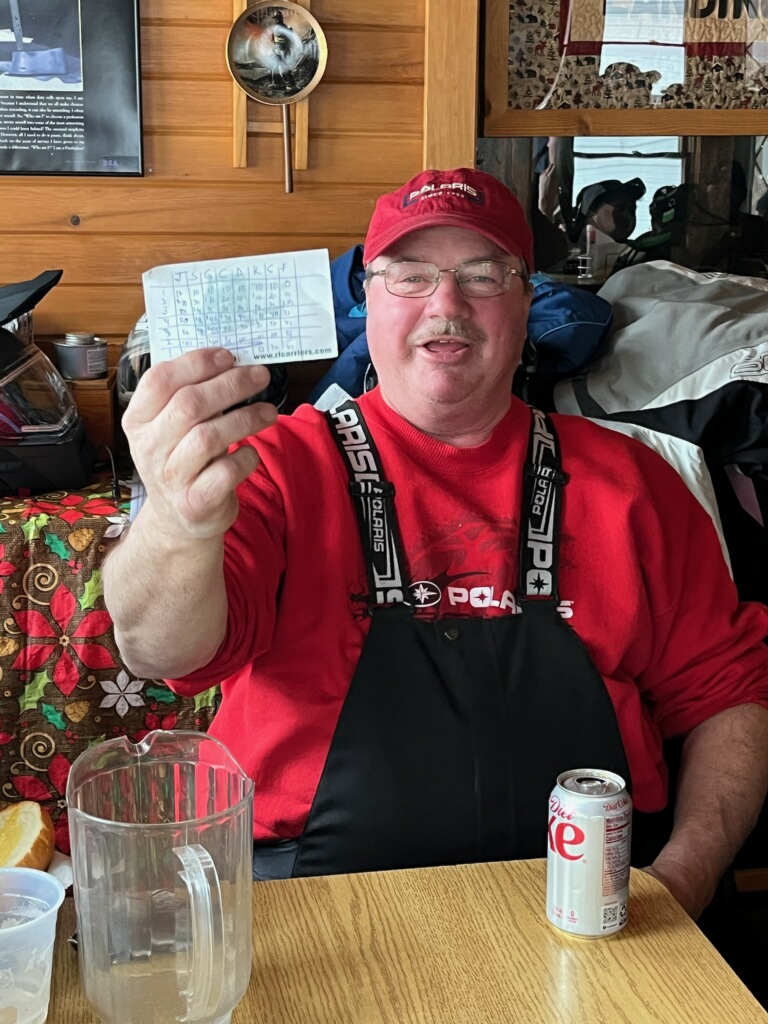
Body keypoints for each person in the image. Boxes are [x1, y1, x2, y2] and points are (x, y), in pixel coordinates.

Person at [104, 167, 768, 917]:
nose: (446, 305)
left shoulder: (633, 481)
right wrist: (175, 523)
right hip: (314, 912)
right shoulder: (274, 467)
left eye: (482, 275)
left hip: (598, 912)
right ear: (368, 300)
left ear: (526, 302)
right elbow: (158, 651)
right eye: (410, 275)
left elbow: (730, 697)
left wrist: (683, 881)